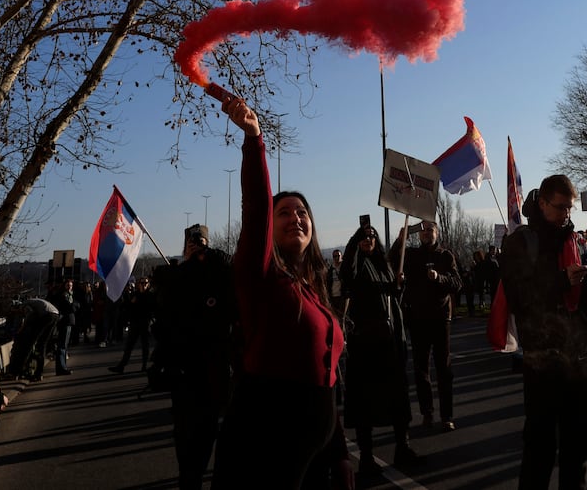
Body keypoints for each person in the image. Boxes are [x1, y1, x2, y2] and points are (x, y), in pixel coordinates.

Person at [211, 92, 342, 490]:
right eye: (284, 212)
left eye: (302, 212)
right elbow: (255, 207)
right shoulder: (261, 274)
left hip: (316, 456)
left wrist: (340, 453)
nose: (296, 217)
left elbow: (330, 380)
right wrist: (254, 140)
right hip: (265, 442)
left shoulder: (314, 288)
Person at [500, 175, 587, 490]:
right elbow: (520, 296)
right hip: (543, 359)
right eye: (560, 207)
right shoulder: (522, 241)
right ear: (542, 203)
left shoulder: (576, 240)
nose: (566, 214)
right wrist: (563, 279)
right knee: (540, 450)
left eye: (570, 207)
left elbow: (586, 304)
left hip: (582, 355)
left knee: (578, 452)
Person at [154, 223, 238, 489]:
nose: (195, 247)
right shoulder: (176, 278)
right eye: (191, 243)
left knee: (213, 438)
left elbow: (234, 289)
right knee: (187, 447)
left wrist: (216, 259)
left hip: (215, 371)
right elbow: (163, 320)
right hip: (184, 374)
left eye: (200, 243)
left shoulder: (218, 275)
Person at [341, 221, 416, 478]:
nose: (368, 240)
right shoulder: (356, 265)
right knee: (365, 403)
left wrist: (398, 285)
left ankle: (403, 447)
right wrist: (355, 239)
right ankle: (366, 459)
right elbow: (348, 273)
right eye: (363, 237)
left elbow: (392, 296)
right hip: (367, 346)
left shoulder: (384, 265)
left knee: (398, 398)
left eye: (372, 236)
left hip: (391, 342)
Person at [391, 217, 462, 431]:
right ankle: (427, 412)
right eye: (422, 230)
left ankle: (447, 416)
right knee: (421, 370)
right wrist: (399, 241)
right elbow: (392, 261)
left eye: (430, 229)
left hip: (441, 320)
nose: (425, 233)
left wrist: (439, 278)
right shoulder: (411, 255)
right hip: (418, 320)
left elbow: (458, 283)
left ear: (437, 233)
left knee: (444, 369)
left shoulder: (445, 255)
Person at [7, 295, 60, 382]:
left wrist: (22, 329)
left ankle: (19, 371)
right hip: (55, 314)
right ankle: (39, 373)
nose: (17, 313)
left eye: (15, 311)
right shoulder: (33, 301)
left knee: (30, 343)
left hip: (46, 314)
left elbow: (29, 316)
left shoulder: (24, 305)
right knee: (42, 344)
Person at [111, 277, 155, 375]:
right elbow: (127, 307)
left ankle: (144, 365)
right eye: (142, 283)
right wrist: (131, 303)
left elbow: (152, 309)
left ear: (148, 284)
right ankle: (121, 366)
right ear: (138, 284)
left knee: (145, 346)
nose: (143, 284)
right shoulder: (135, 294)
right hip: (135, 322)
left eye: (145, 283)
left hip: (145, 323)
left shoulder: (150, 295)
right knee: (129, 346)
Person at [51, 277, 76, 376]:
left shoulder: (69, 295)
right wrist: (74, 305)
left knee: (64, 346)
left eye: (71, 286)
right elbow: (71, 307)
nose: (70, 287)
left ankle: (63, 366)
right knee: (62, 345)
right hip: (65, 321)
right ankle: (61, 368)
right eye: (68, 285)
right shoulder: (64, 296)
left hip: (68, 321)